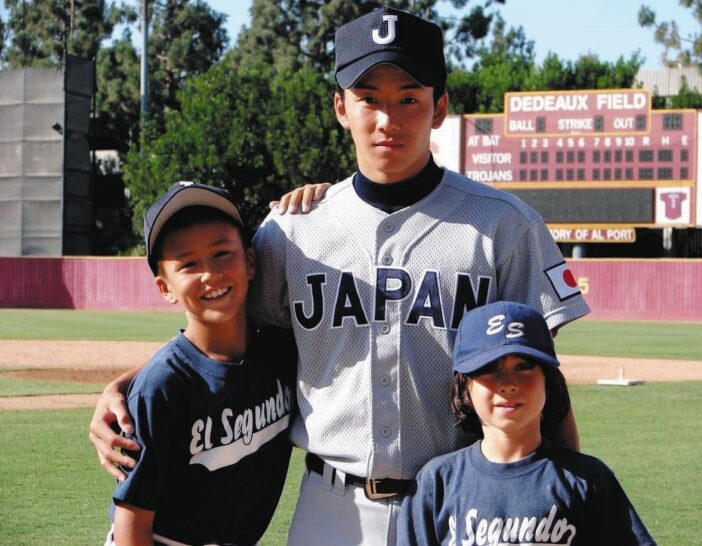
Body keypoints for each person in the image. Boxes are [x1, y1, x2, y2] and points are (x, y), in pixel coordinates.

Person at [90, 7, 591, 546]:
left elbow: (544, 377)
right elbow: (225, 336)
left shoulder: (504, 225)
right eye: (368, 97)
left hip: (462, 495)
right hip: (332, 505)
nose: (387, 119)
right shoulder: (291, 231)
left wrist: (569, 495)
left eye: (408, 98)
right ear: (340, 107)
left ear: (439, 107)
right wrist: (128, 385)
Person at [104, 181, 296, 546]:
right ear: (165, 288)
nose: (209, 273)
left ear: (250, 260)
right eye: (189, 264)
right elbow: (133, 525)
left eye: (222, 253)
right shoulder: (161, 387)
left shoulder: (278, 353)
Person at [397, 301, 656, 546]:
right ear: (465, 388)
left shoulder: (587, 479)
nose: (508, 383)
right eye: (489, 368)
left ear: (549, 381)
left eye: (524, 366)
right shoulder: (437, 482)